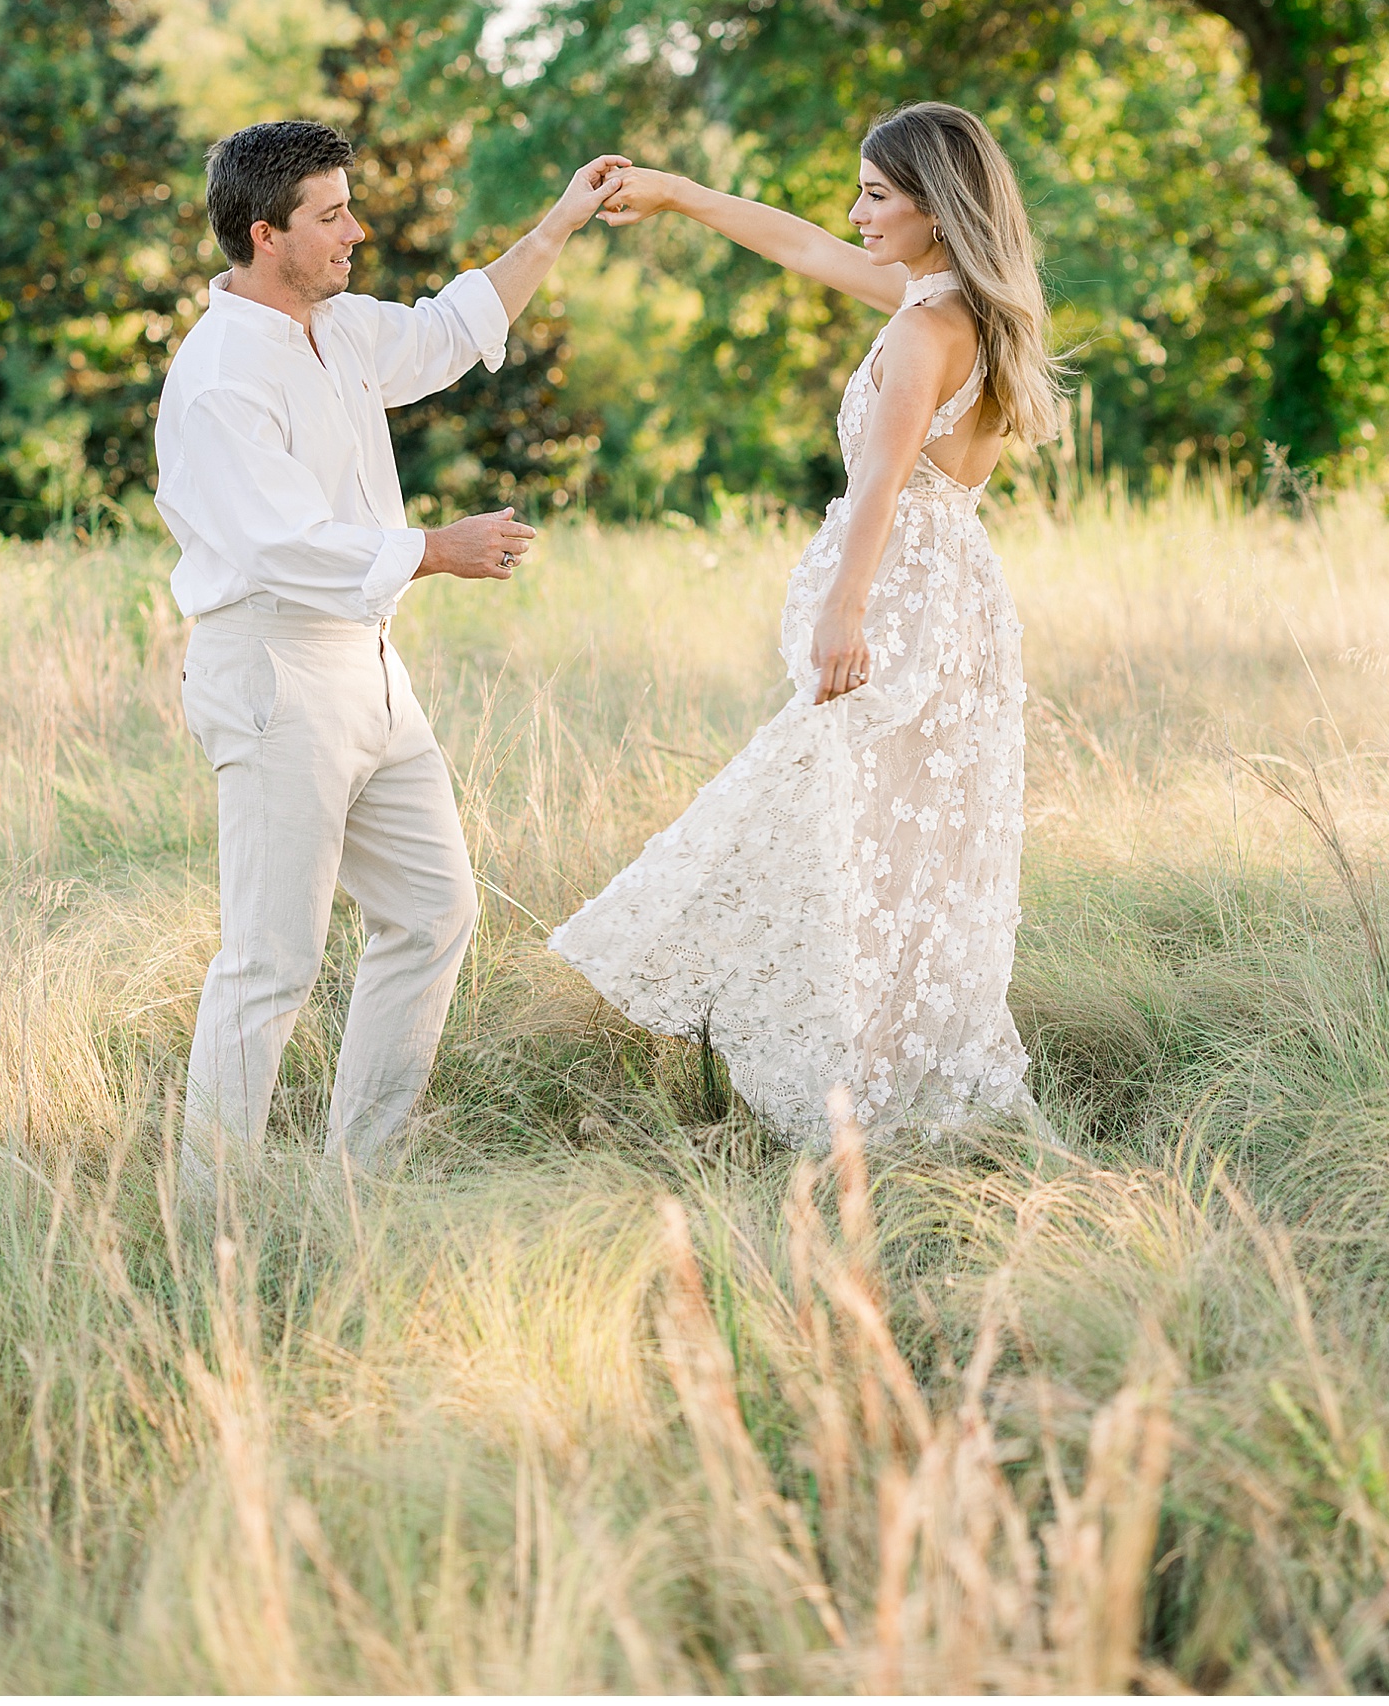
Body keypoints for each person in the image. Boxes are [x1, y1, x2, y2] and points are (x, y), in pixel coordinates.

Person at [549, 101, 1066, 1152]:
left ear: (937, 206)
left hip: (903, 602)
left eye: (877, 195)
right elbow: (796, 240)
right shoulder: (961, 303)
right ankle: (871, 1078)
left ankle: (844, 1091)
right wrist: (682, 193)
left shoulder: (926, 326)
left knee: (824, 835)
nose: (856, 212)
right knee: (887, 853)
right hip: (957, 596)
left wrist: (845, 609)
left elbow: (881, 478)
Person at [155, 118, 628, 1194]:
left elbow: (454, 325)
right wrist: (436, 551)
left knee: (432, 908)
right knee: (270, 960)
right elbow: (281, 543)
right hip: (275, 669)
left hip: (367, 669)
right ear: (265, 232)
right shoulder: (221, 373)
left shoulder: (341, 327)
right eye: (332, 216)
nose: (356, 230)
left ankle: (362, 1182)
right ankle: (208, 1214)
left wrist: (561, 218)